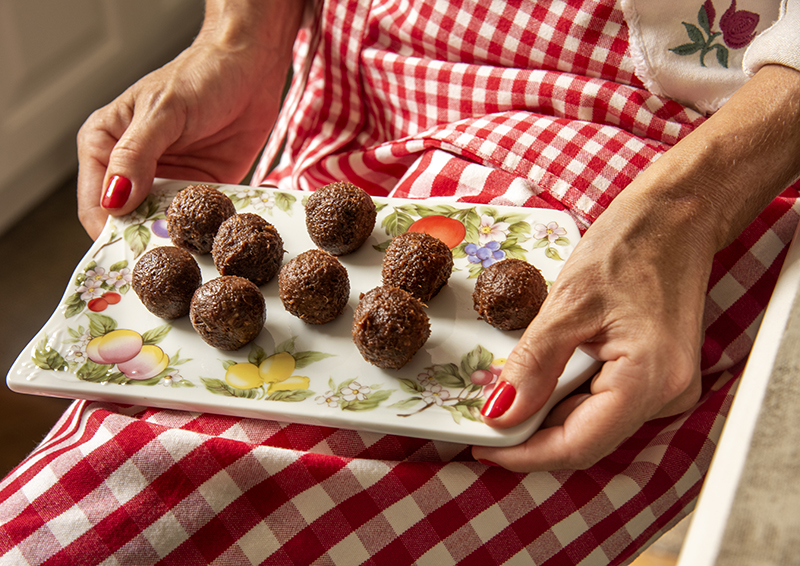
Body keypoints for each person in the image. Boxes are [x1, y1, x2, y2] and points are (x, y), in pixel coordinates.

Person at [3, 0, 799, 564]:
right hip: (368, 65)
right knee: (136, 437)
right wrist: (241, 33)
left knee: (197, 484)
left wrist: (686, 205)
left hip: (665, 137)